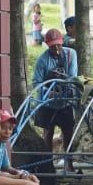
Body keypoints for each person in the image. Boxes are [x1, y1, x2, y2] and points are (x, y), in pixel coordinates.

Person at [32, 27, 79, 157]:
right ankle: (48, 162)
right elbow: (36, 83)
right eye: (53, 46)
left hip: (65, 102)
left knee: (68, 132)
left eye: (59, 44)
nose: (56, 48)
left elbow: (72, 77)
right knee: (48, 133)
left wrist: (67, 91)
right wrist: (48, 92)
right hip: (47, 103)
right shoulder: (42, 60)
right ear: (47, 44)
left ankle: (69, 163)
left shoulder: (71, 55)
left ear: (62, 41)